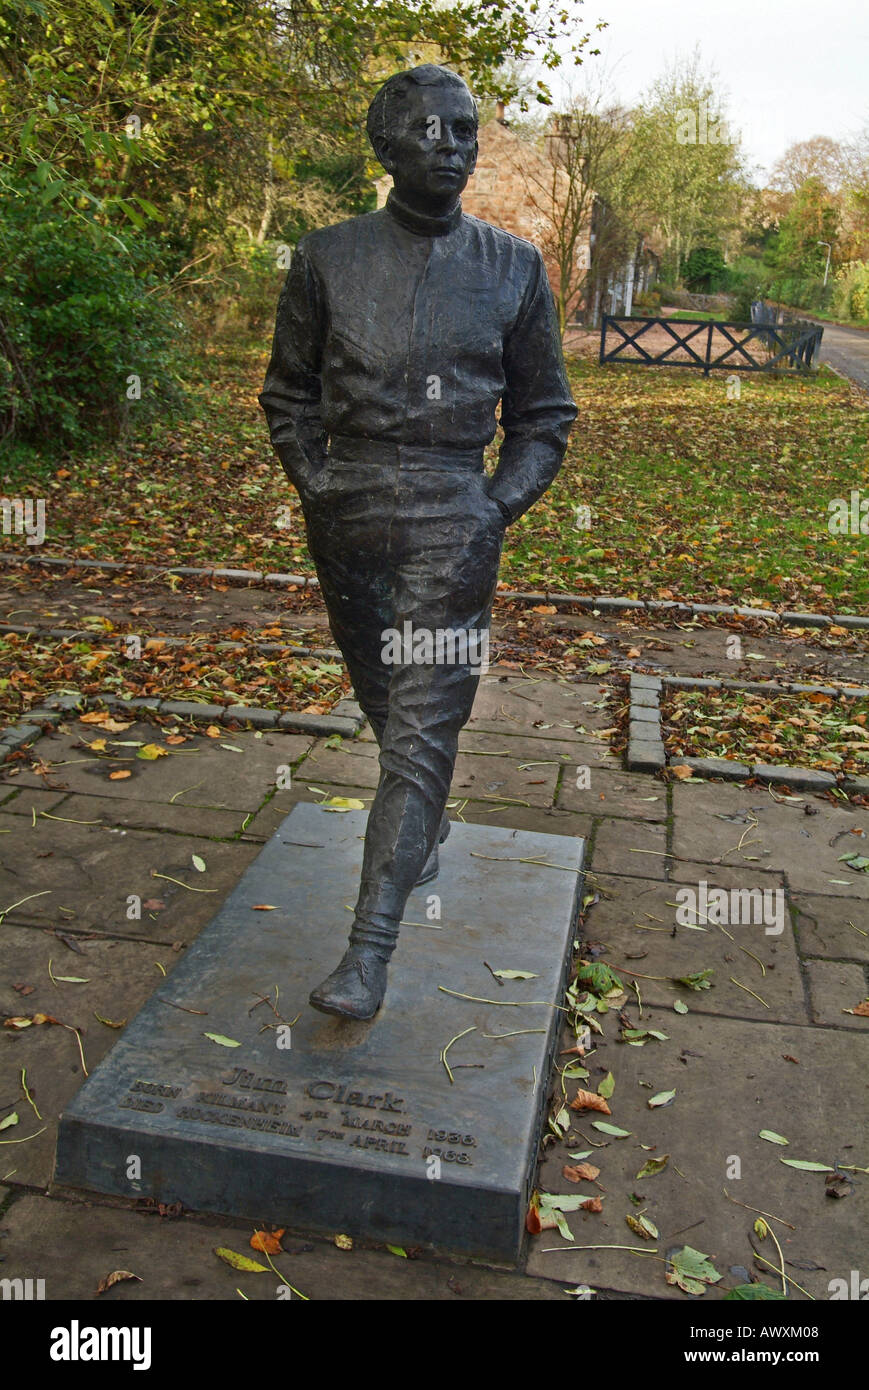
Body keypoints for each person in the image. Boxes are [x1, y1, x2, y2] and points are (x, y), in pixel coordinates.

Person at [259, 64, 577, 1020]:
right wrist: (315, 480)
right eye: (431, 129)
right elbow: (288, 391)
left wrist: (492, 507)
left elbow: (544, 414)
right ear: (386, 146)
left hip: (452, 515)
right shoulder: (325, 256)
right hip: (346, 514)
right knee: (388, 707)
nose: (452, 143)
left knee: (423, 724)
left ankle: (367, 951)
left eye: (465, 129)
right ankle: (420, 828)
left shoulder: (513, 266)